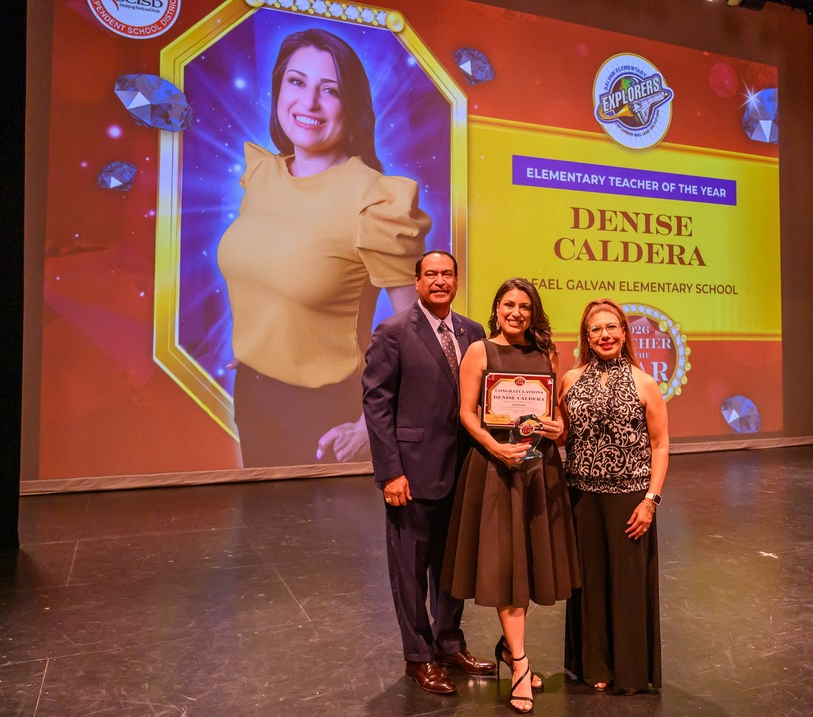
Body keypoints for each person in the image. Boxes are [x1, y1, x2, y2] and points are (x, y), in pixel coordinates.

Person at [217, 28, 428, 468]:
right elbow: (266, 266)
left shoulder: (374, 198)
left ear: (351, 104)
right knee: (261, 515)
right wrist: (263, 348)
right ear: (279, 90)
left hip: (329, 415)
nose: (309, 102)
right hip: (253, 395)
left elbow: (419, 332)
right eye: (296, 82)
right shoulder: (262, 175)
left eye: (329, 90)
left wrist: (371, 425)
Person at [441, 278, 580, 713]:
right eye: (508, 304)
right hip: (495, 469)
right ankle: (519, 662)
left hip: (539, 469)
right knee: (505, 565)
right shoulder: (479, 350)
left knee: (529, 562)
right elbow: (466, 412)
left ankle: (508, 647)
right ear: (497, 309)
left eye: (524, 306)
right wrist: (495, 446)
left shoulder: (547, 353)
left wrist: (558, 426)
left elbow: (556, 415)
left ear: (533, 312)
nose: (516, 312)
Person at [361, 250, 495, 695]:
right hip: (412, 475)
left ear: (456, 280)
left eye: (447, 274)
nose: (440, 281)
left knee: (452, 566)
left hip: (464, 470)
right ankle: (418, 656)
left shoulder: (473, 332)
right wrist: (390, 472)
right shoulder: (394, 331)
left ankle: (449, 643)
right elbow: (376, 404)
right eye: (431, 274)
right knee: (410, 569)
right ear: (417, 281)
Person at [559, 299, 670, 694]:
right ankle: (595, 665)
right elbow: (562, 434)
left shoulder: (644, 382)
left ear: (624, 333)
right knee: (588, 583)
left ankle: (630, 669)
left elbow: (660, 445)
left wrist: (650, 501)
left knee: (627, 584)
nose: (604, 335)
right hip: (581, 498)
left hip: (630, 499)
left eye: (611, 327)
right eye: (596, 329)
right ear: (586, 337)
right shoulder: (570, 380)